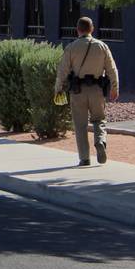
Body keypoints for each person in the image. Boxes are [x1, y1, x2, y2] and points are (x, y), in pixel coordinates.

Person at [55, 16, 119, 166]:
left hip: (78, 91)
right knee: (99, 119)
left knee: (80, 125)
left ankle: (84, 158)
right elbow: (112, 69)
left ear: (77, 30)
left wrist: (58, 89)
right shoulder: (102, 46)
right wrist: (115, 87)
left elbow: (62, 71)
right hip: (97, 90)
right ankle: (100, 141)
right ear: (92, 29)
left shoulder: (71, 47)